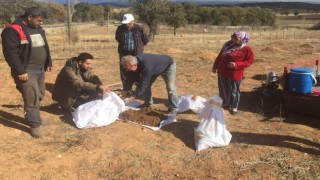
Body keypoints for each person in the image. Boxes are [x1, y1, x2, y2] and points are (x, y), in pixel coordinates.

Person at [1, 7, 53, 138]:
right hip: (26, 71)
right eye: (39, 20)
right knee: (32, 98)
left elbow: (45, 46)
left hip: (40, 69)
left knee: (39, 94)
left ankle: (33, 115)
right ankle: (34, 124)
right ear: (29, 17)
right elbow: (10, 53)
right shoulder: (11, 30)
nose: (41, 23)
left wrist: (48, 62)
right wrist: (20, 71)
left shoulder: (37, 29)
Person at [212, 31, 254, 115]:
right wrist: (215, 66)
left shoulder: (246, 49)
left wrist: (236, 64)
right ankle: (225, 103)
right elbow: (220, 56)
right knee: (223, 89)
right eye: (233, 38)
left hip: (235, 73)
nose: (233, 40)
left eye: (236, 39)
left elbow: (249, 61)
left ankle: (234, 106)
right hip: (222, 71)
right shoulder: (227, 44)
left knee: (234, 91)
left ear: (242, 40)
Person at [115, 13, 149, 89]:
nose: (126, 25)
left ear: (133, 21)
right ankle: (126, 88)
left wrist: (139, 47)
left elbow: (145, 40)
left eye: (128, 23)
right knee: (124, 70)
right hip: (124, 53)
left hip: (136, 53)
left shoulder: (140, 29)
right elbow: (117, 38)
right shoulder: (120, 28)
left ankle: (139, 88)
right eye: (125, 23)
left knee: (137, 69)